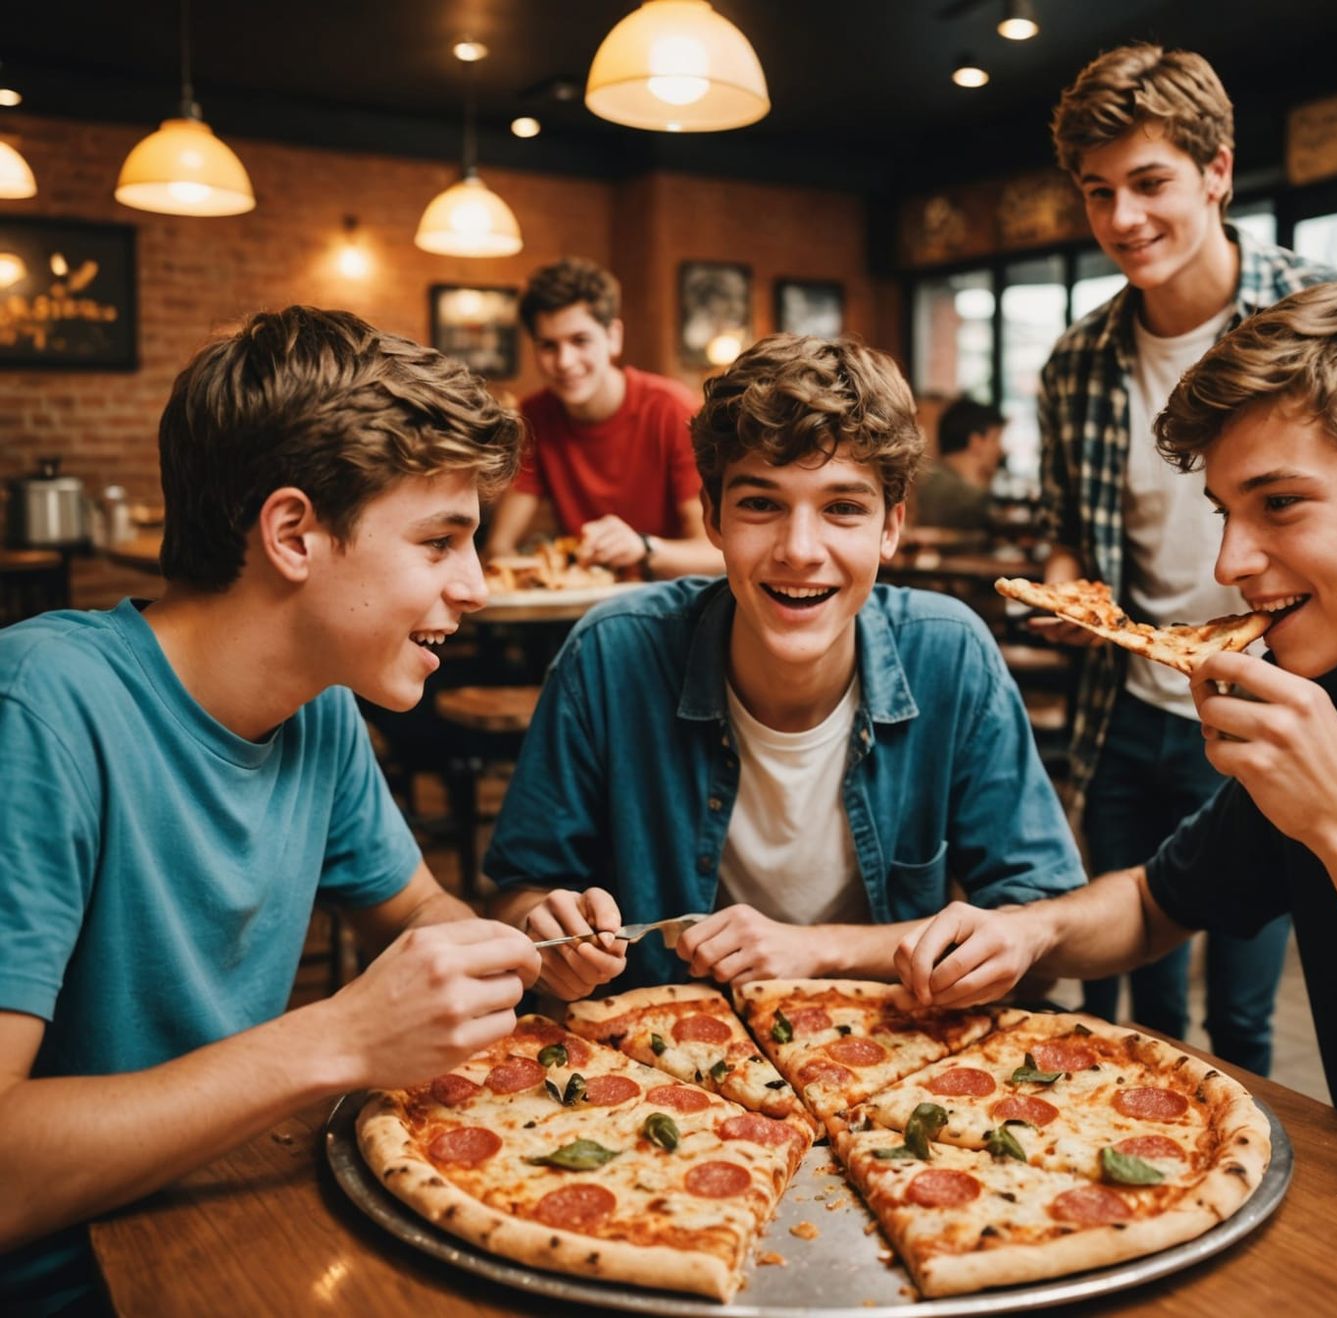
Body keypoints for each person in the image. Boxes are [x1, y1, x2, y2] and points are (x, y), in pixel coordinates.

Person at [897, 277, 1337, 1244]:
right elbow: (1156, 903)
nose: (1229, 563)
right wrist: (1030, 934)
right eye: (1227, 510)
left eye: (1280, 504)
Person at [0, 308, 545, 1314]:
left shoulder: (320, 707)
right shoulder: (40, 706)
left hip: (223, 1216)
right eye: (440, 541)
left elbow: (418, 914)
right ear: (293, 532)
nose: (475, 586)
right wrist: (337, 1039)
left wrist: (512, 946)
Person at [484, 334, 1086, 999]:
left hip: (895, 1062)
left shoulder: (950, 655)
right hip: (665, 1066)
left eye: (843, 509)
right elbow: (518, 898)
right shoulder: (611, 654)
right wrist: (547, 937)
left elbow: (1042, 927)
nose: (800, 551)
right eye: (761, 504)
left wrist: (818, 951)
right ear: (712, 517)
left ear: (891, 528)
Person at [1034, 43, 1337, 1073]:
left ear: (1216, 171)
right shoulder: (1076, 359)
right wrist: (1068, 585)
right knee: (1139, 999)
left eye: (1150, 182)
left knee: (1245, 1010)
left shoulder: (1321, 322)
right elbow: (1075, 530)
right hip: (1123, 709)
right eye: (1097, 192)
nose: (1122, 219)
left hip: (1268, 690)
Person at [484, 256, 723, 577]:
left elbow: (716, 553)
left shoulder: (671, 409)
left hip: (672, 596)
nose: (565, 362)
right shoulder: (535, 415)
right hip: (587, 600)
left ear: (613, 337)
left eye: (580, 340)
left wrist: (644, 547)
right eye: (548, 346)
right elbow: (499, 546)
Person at [915, 396, 1004, 531]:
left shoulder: (932, 480)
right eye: (995, 439)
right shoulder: (966, 499)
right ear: (976, 442)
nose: (1001, 450)